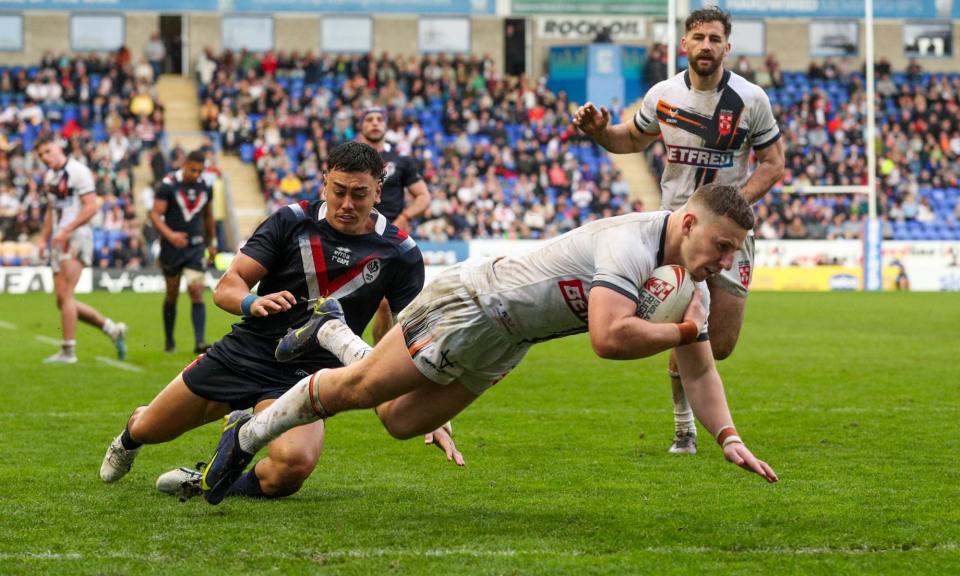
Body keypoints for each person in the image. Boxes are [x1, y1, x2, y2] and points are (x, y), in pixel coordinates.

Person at [200, 183, 779, 505]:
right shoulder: (630, 243)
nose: (726, 261)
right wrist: (678, 333)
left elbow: (701, 373)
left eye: (734, 253)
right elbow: (607, 337)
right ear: (687, 224)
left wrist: (728, 437)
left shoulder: (688, 286)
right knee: (358, 389)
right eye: (723, 245)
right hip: (474, 303)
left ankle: (332, 329)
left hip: (510, 340)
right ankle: (247, 434)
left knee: (400, 422)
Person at [99, 142, 460, 501]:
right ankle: (128, 438)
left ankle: (207, 480)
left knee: (292, 466)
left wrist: (433, 414)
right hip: (246, 353)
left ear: (378, 192)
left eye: (359, 194)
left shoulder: (400, 253)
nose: (347, 204)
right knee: (150, 427)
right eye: (339, 192)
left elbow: (409, 337)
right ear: (324, 184)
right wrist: (252, 302)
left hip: (310, 376)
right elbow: (227, 286)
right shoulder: (291, 221)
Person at [572, 6, 785, 455]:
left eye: (714, 39)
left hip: (729, 235)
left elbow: (773, 163)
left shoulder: (751, 100)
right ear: (684, 44)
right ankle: (684, 427)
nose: (706, 45)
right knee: (688, 323)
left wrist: (735, 206)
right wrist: (599, 132)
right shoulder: (664, 95)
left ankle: (691, 411)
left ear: (727, 47)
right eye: (698, 38)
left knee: (720, 344)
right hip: (678, 232)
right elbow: (629, 139)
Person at [35, 132, 127, 364]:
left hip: (77, 237)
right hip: (59, 239)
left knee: (66, 295)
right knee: (62, 299)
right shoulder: (49, 177)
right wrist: (43, 238)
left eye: (48, 151)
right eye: (40, 155)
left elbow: (91, 207)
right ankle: (111, 328)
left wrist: (67, 230)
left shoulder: (78, 171)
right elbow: (50, 211)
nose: (45, 158)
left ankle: (68, 350)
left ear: (58, 147)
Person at [355, 106, 431, 343]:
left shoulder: (402, 160)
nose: (375, 123)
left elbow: (424, 197)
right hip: (355, 234)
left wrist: (404, 219)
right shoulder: (350, 157)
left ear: (386, 125)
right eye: (369, 119)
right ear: (361, 125)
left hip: (389, 237)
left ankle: (379, 359)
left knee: (385, 303)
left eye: (379, 119)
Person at [149, 150, 217, 354]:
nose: (196, 174)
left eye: (200, 171)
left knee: (196, 292)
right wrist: (170, 236)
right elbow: (154, 215)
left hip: (195, 247)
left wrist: (212, 242)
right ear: (184, 164)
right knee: (172, 294)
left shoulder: (205, 186)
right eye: (193, 170)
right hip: (172, 248)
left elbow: (208, 215)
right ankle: (169, 341)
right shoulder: (168, 185)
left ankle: (199, 342)